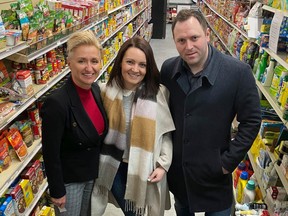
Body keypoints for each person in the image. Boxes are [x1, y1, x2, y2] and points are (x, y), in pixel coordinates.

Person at [160, 9, 262, 216]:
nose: (188, 46)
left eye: (194, 37)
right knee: (183, 208)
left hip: (215, 177)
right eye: (181, 40)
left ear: (207, 35)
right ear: (174, 41)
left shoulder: (237, 73)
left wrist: (226, 163)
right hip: (181, 174)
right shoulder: (169, 70)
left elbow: (251, 121)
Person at [91, 36, 175, 216]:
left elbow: (165, 134)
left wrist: (163, 165)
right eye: (130, 62)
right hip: (113, 166)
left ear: (148, 67)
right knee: (133, 212)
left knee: (138, 210)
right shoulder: (104, 92)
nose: (135, 69)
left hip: (145, 167)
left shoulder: (159, 94)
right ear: (120, 62)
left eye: (142, 65)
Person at [40, 30, 108, 216]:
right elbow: (50, 151)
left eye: (94, 61)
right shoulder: (57, 102)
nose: (89, 68)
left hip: (91, 175)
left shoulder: (95, 90)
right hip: (69, 182)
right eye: (81, 61)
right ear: (69, 63)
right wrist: (57, 190)